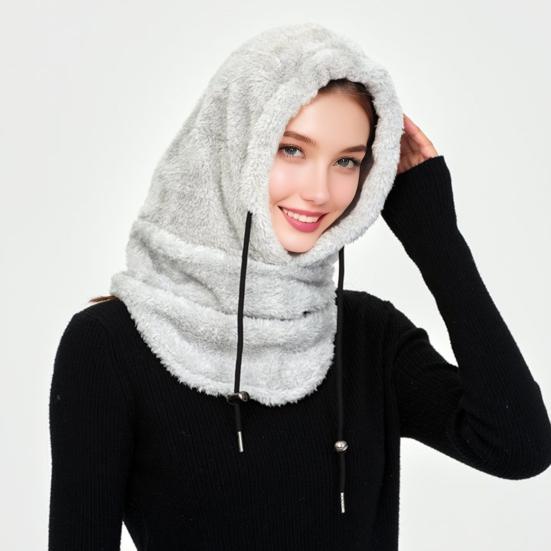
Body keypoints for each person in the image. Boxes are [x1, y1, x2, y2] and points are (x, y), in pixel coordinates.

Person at [48, 22, 551, 550]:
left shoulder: (367, 337)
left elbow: (517, 447)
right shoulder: (111, 345)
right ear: (233, 147)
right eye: (291, 150)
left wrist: (439, 244)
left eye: (347, 161)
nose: (319, 191)